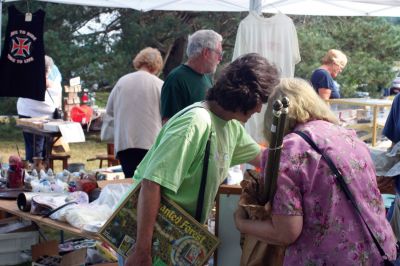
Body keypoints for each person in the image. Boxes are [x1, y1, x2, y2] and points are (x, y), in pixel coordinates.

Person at [124, 53, 279, 266]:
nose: (260, 109)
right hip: (151, 246)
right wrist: (142, 250)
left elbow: (264, 158)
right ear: (245, 95)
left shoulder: (231, 126)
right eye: (259, 101)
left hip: (176, 240)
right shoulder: (195, 122)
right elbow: (152, 183)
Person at [234, 78, 397, 265]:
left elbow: (286, 232)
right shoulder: (349, 137)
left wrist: (241, 223)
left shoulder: (287, 152)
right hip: (380, 251)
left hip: (328, 258)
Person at [105, 47, 164, 178]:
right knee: (147, 185)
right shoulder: (159, 84)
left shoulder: (122, 82)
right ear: (157, 66)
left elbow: (110, 111)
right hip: (151, 142)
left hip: (125, 142)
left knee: (130, 184)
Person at [160, 29, 223, 124]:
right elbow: (168, 123)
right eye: (219, 53)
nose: (220, 58)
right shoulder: (176, 79)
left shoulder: (207, 77)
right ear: (206, 52)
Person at [17, 55, 62, 162]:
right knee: (35, 151)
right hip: (29, 115)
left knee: (45, 151)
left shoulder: (53, 78)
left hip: (47, 118)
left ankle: (43, 172)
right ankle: (34, 173)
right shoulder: (29, 78)